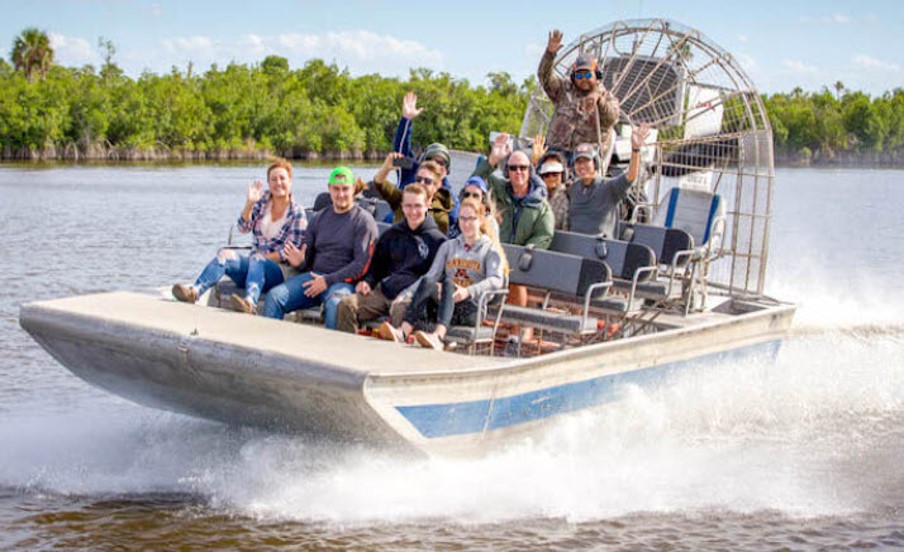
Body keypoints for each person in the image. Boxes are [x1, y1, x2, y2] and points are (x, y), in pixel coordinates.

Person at [172, 159, 306, 311]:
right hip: (255, 266)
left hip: (279, 271)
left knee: (257, 259)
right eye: (273, 179)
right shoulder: (261, 203)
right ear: (268, 183)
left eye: (282, 178)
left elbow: (287, 253)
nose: (278, 183)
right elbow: (243, 227)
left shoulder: (297, 212)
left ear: (290, 181)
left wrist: (258, 260)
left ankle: (249, 303)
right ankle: (194, 292)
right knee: (225, 254)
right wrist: (249, 204)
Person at [376, 198, 507, 350]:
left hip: (471, 309)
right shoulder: (449, 246)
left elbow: (497, 280)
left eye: (471, 218)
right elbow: (431, 275)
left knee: (447, 284)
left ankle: (438, 336)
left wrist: (467, 292)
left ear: (481, 220)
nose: (466, 223)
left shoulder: (489, 249)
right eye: (462, 218)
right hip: (446, 303)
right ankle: (402, 333)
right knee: (429, 283)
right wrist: (406, 294)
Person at [261, 166, 378, 327]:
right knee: (275, 296)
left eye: (345, 189)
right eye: (336, 189)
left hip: (343, 282)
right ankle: (267, 345)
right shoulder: (319, 218)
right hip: (313, 278)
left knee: (335, 305)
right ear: (329, 189)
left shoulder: (364, 221)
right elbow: (307, 260)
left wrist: (327, 280)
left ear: (353, 189)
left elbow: (361, 265)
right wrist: (299, 262)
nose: (341, 194)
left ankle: (330, 351)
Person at [336, 183, 446, 334]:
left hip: (411, 298)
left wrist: (408, 296)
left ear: (428, 204)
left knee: (400, 311)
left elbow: (434, 280)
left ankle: (393, 355)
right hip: (385, 292)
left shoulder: (438, 241)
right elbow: (376, 267)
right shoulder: (392, 234)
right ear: (401, 206)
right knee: (346, 305)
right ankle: (350, 351)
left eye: (418, 206)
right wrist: (367, 282)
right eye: (408, 206)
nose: (413, 211)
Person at [539, 29, 620, 169]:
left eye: (588, 75)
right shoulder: (563, 90)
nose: (583, 80)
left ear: (596, 75)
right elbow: (544, 77)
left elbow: (612, 118)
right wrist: (550, 54)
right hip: (556, 151)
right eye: (579, 76)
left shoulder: (606, 97)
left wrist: (598, 101)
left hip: (585, 156)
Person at [391, 91, 460, 231]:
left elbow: (453, 217)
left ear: (446, 170)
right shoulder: (408, 171)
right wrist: (406, 120)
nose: (435, 165)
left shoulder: (447, 192)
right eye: (431, 160)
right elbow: (400, 150)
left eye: (441, 163)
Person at [568, 124, 650, 238]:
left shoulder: (608, 187)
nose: (582, 166)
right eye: (578, 162)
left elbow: (630, 177)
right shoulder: (573, 189)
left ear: (595, 163)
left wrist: (635, 150)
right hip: (574, 249)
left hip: (600, 251)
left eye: (586, 161)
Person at [371, 153, 454, 235]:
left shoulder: (440, 217)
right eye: (418, 179)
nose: (422, 183)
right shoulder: (402, 198)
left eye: (427, 181)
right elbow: (379, 183)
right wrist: (386, 168)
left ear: (437, 186)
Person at [533, 136, 571, 231]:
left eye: (555, 174)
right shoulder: (536, 195)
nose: (551, 178)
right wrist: (534, 164)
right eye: (546, 174)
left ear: (563, 174)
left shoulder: (568, 198)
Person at [453, 175, 500, 240]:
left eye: (475, 196)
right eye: (467, 195)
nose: (470, 198)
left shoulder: (490, 222)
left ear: (483, 200)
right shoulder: (457, 218)